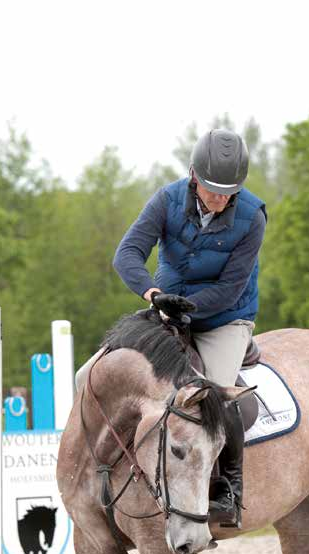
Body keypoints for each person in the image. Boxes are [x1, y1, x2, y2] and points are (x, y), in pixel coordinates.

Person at [112, 128, 267, 529]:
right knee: (99, 372)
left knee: (216, 392)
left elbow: (231, 287)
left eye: (228, 192)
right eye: (212, 189)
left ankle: (230, 488)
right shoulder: (166, 199)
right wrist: (152, 294)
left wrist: (190, 307)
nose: (219, 200)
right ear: (194, 176)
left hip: (225, 317)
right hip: (165, 308)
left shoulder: (252, 216)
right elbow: (127, 254)